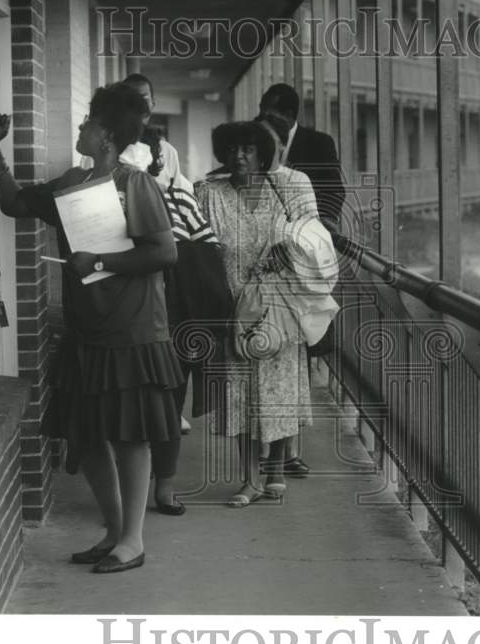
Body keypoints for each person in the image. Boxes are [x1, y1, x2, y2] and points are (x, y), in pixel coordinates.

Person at [0, 83, 185, 574]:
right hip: (87, 331)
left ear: (107, 137)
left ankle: (134, 541)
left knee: (129, 437)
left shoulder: (133, 184)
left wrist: (99, 258)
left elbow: (164, 252)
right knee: (88, 434)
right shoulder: (70, 185)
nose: (79, 128)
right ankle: (114, 531)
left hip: (132, 330)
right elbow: (13, 203)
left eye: (88, 123)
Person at [196, 121, 319, 506]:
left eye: (248, 149)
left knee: (279, 391)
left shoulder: (285, 192)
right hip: (233, 312)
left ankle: (276, 470)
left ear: (263, 154)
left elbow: (314, 240)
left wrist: (292, 251)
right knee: (241, 396)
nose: (239, 156)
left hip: (279, 308)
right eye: (232, 149)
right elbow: (194, 250)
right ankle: (250, 481)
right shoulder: (208, 193)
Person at [256, 84, 347, 478]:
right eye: (263, 114)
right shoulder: (253, 138)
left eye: (273, 117)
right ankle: (271, 450)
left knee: (297, 360)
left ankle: (288, 451)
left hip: (301, 267)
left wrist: (303, 236)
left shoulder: (318, 144)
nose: (266, 123)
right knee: (263, 357)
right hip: (261, 265)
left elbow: (333, 197)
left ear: (291, 117)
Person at [122, 71, 193, 435]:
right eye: (134, 97)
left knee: (164, 332)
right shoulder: (111, 145)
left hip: (161, 250)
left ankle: (168, 406)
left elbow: (180, 198)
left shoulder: (166, 150)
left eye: (147, 97)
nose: (142, 104)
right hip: (123, 250)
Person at [259, 83, 345, 230]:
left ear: (288, 115)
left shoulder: (319, 143)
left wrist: (317, 225)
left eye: (267, 114)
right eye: (261, 111)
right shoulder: (257, 138)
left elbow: (334, 191)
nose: (261, 118)